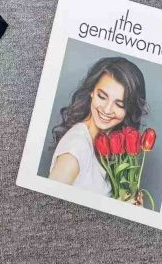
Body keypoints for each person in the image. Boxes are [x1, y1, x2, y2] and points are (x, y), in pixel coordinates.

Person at [49, 57, 147, 199]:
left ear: (129, 110)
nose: (107, 110)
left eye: (119, 104)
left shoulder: (106, 148)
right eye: (102, 96)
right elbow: (48, 204)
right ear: (92, 92)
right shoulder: (76, 147)